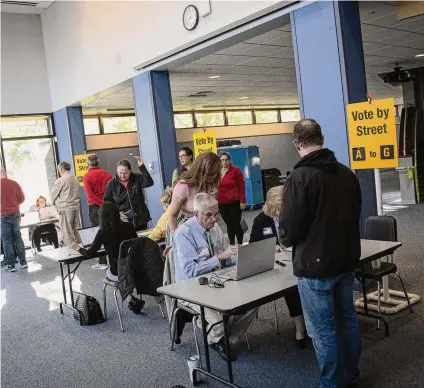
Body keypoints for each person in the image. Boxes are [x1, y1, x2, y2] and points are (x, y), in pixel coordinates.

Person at [279, 119, 362, 388]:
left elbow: (288, 230)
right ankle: (351, 376)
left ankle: (331, 384)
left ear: (296, 144)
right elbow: (355, 213)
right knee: (347, 320)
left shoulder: (300, 178)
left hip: (315, 268)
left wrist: (287, 239)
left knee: (324, 331)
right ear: (322, 139)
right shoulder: (346, 173)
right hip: (346, 259)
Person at [173, 193, 257, 361]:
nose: (215, 219)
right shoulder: (184, 233)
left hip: (216, 280)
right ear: (196, 214)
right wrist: (218, 257)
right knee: (217, 319)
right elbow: (190, 271)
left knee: (252, 302)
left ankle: (225, 338)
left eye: (216, 214)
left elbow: (226, 260)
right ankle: (216, 337)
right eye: (209, 215)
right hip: (190, 288)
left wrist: (242, 254)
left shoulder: (215, 228)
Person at [249, 186, 306, 348]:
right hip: (274, 267)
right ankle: (300, 327)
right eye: (278, 210)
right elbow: (253, 246)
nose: (280, 214)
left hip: (295, 259)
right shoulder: (261, 220)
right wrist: (270, 247)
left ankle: (307, 322)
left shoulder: (294, 216)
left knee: (297, 281)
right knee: (290, 286)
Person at [70, 201, 137, 282]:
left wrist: (77, 248)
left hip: (118, 272)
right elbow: (136, 244)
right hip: (134, 268)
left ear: (101, 216)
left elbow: (90, 253)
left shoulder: (103, 232)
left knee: (108, 270)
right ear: (117, 212)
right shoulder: (129, 226)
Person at [167, 151, 221, 234]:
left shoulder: (210, 184)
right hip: (186, 230)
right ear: (202, 170)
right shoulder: (183, 186)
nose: (214, 176)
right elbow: (172, 215)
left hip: (207, 228)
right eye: (211, 173)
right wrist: (175, 236)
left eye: (216, 172)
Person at [104, 156, 154, 231]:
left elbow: (149, 183)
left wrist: (142, 167)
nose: (122, 176)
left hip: (140, 219)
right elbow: (107, 202)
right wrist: (117, 212)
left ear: (130, 171)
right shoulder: (111, 184)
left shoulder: (137, 178)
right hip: (123, 221)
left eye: (125, 173)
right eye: (120, 173)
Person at [83, 154, 113, 269]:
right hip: (108, 206)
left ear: (88, 164)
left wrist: (101, 204)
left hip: (95, 207)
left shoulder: (87, 176)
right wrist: (106, 204)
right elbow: (111, 192)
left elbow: (90, 194)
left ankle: (102, 261)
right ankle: (111, 258)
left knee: (98, 233)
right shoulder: (108, 174)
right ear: (98, 162)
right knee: (110, 232)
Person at [0, 167, 27, 272]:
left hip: (3, 215)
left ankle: (11, 265)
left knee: (7, 240)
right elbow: (22, 198)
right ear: (5, 174)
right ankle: (23, 262)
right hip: (16, 214)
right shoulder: (14, 183)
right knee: (18, 238)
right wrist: (14, 204)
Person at [218, 152, 246, 245]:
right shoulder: (217, 172)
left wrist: (242, 201)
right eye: (222, 160)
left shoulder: (235, 170)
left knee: (236, 224)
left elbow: (242, 186)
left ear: (229, 160)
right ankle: (232, 244)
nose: (224, 162)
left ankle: (240, 244)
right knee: (229, 225)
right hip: (222, 203)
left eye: (226, 159)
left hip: (234, 201)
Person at [51, 162, 81, 246]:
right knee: (74, 230)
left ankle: (70, 252)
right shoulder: (75, 178)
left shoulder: (61, 180)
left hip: (65, 208)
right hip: (75, 207)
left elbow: (53, 195)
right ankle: (80, 250)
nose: (59, 171)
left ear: (61, 169)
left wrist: (55, 204)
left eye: (59, 169)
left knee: (67, 232)